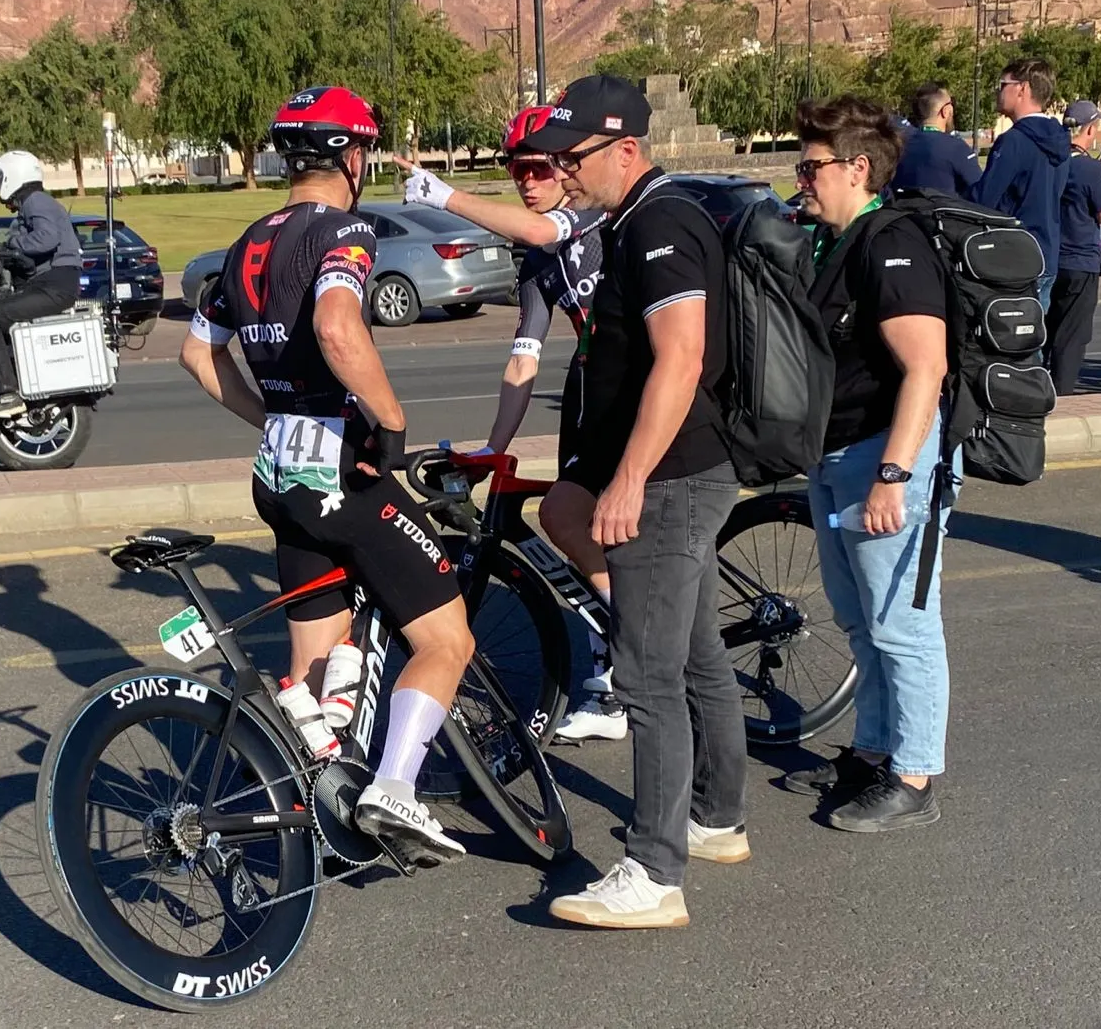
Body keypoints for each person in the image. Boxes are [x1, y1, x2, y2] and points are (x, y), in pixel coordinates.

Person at [180, 85, 476, 866]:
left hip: (278, 472)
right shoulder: (344, 229)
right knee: (447, 640)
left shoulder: (245, 240)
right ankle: (397, 789)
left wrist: (269, 418)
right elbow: (338, 326)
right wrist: (391, 422)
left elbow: (194, 355)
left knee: (314, 676)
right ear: (353, 156)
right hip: (341, 468)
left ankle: (321, 804)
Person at [514, 75, 745, 930]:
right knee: (696, 658)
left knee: (648, 675)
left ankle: (653, 873)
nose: (562, 173)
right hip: (681, 471)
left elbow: (680, 360)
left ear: (626, 150)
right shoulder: (633, 220)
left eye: (572, 158)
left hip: (673, 478)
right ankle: (716, 819)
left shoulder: (658, 223)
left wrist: (628, 478)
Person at [400, 108, 622, 743]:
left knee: (598, 528)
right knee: (574, 524)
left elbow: (538, 226)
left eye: (534, 168)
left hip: (641, 394)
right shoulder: (537, 257)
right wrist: (495, 446)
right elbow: (525, 355)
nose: (525, 180)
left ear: (563, 167)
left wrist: (445, 195)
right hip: (593, 391)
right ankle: (619, 659)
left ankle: (640, 648)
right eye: (514, 170)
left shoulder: (585, 213)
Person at [784, 95, 956, 833]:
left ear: (858, 168)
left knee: (903, 626)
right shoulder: (839, 242)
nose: (802, 180)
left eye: (812, 166)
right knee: (860, 623)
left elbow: (927, 366)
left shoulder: (893, 244)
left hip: (881, 457)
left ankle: (914, 776)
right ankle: (876, 747)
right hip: (836, 456)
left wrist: (893, 474)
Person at [0, 150, 83, 419]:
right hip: (51, 283)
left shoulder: (36, 201)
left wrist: (9, 244)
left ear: (12, 177)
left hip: (54, 285)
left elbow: (46, 238)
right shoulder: (34, 203)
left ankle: (5, 394)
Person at [974, 58, 1074, 310]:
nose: (998, 92)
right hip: (1046, 253)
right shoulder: (1061, 139)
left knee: (1011, 338)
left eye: (1002, 84)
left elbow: (983, 201)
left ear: (1022, 89)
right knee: (1031, 336)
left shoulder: (1014, 141)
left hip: (1016, 256)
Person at [1049, 101, 1101, 396]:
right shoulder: (1090, 169)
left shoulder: (1052, 163)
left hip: (1050, 258)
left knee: (1047, 330)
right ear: (1090, 129)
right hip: (1081, 261)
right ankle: (1062, 398)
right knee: (1072, 337)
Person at [892, 83, 981, 197]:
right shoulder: (956, 148)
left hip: (902, 212)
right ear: (945, 111)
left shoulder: (899, 145)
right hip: (945, 212)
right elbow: (979, 192)